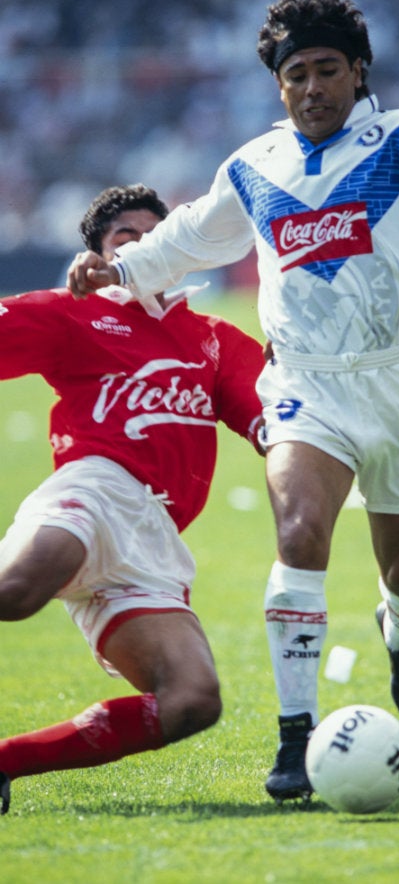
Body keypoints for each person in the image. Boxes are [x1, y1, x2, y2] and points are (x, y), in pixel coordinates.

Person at [67, 0, 399, 804]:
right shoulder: (254, 166)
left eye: (326, 70)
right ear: (279, 85)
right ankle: (295, 737)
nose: (312, 87)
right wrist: (117, 271)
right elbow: (188, 235)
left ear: (358, 72)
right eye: (296, 74)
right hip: (305, 383)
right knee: (300, 533)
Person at [0, 184, 265, 815]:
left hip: (154, 542)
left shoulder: (216, 341)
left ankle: (7, 761)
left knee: (194, 700)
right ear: (96, 255)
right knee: (14, 592)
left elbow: (277, 425)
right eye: (126, 238)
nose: (143, 247)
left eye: (155, 236)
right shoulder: (74, 312)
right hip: (93, 491)